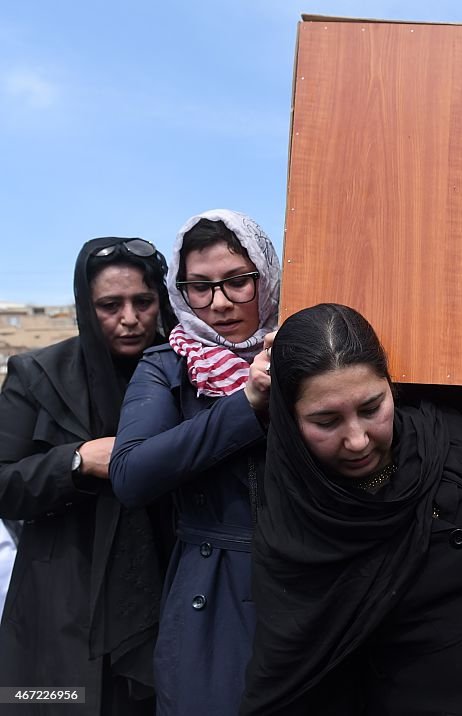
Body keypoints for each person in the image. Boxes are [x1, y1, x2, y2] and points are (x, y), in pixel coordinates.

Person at [241, 303, 462, 715]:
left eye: (371, 408)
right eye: (326, 421)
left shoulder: (451, 440)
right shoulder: (297, 530)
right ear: (290, 420)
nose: (356, 440)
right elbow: (291, 687)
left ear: (391, 387)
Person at [109, 210, 279, 715]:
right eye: (199, 287)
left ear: (265, 276)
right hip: (213, 589)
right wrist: (247, 404)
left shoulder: (307, 347)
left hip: (311, 575)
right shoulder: (167, 364)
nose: (220, 303)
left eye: (237, 282)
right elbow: (132, 474)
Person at [0, 237, 176, 715]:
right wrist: (76, 462)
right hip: (61, 599)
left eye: (143, 302)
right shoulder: (38, 373)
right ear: (85, 304)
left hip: (160, 592)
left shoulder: (183, 370)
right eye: (109, 305)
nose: (129, 318)